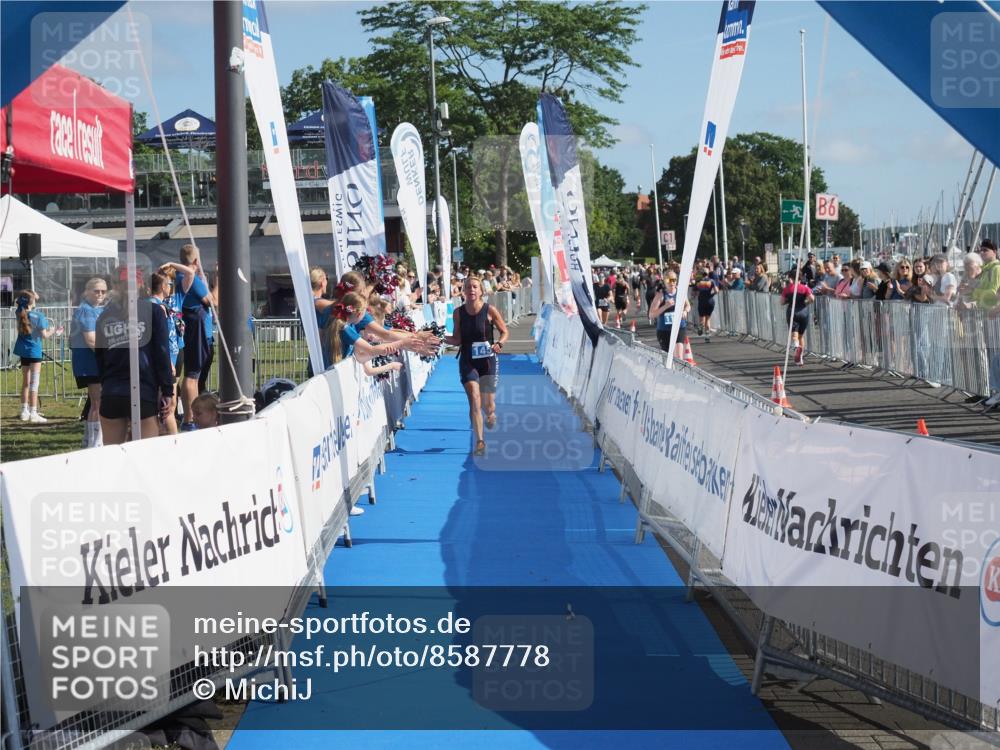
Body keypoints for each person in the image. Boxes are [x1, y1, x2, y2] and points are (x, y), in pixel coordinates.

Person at [95, 276, 175, 444]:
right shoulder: (153, 311)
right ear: (141, 285)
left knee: (113, 455)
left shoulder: (104, 316)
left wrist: (105, 385)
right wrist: (167, 390)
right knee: (147, 456)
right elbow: (162, 353)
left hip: (112, 392)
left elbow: (100, 357)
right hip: (142, 391)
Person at [443, 276, 509, 457]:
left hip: (488, 362)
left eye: (474, 287)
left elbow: (504, 332)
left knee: (488, 406)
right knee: (474, 398)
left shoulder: (490, 310)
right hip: (467, 360)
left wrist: (500, 344)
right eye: (468, 287)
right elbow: (457, 339)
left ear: (481, 291)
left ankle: (490, 415)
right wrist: (440, 338)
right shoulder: (458, 313)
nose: (471, 290)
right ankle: (480, 441)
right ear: (463, 291)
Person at [160, 244, 213, 431]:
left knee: (180, 382)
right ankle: (190, 420)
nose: (169, 285)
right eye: (166, 282)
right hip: (177, 344)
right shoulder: (161, 300)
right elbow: (212, 301)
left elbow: (189, 275)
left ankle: (184, 421)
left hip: (178, 343)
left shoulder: (179, 294)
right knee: (191, 378)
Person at [13, 290, 61, 423]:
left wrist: (31, 297)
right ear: (32, 300)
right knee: (35, 384)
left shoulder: (19, 312)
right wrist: (54, 330)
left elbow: (23, 300)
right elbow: (45, 335)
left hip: (23, 351)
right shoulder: (39, 316)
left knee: (25, 382)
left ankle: (24, 411)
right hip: (34, 351)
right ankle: (33, 413)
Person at [71, 277, 107, 446]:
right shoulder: (86, 310)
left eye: (103, 291)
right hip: (90, 363)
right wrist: (108, 356)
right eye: (96, 291)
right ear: (87, 292)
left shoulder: (93, 309)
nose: (100, 294)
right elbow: (91, 340)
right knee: (98, 403)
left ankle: (88, 441)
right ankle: (95, 443)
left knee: (94, 403)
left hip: (91, 362)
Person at [148, 271, 181, 434]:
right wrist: (168, 363)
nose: (171, 288)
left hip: (172, 357)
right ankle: (173, 440)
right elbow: (160, 339)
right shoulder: (157, 307)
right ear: (162, 286)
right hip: (166, 361)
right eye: (169, 284)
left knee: (169, 405)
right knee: (168, 405)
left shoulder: (162, 304)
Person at [649, 273, 688, 361]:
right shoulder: (660, 296)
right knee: (668, 359)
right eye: (669, 280)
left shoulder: (681, 292)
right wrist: (665, 306)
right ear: (665, 282)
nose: (672, 283)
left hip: (679, 327)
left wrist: (685, 311)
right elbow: (651, 314)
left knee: (679, 357)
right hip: (664, 330)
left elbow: (688, 305)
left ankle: (679, 374)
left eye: (674, 280)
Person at [781, 271, 814, 366]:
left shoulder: (787, 289)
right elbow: (812, 298)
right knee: (801, 335)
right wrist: (806, 302)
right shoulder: (805, 288)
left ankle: (795, 345)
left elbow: (782, 302)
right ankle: (800, 358)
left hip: (792, 311)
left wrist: (788, 300)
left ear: (790, 278)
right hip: (803, 311)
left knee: (794, 333)